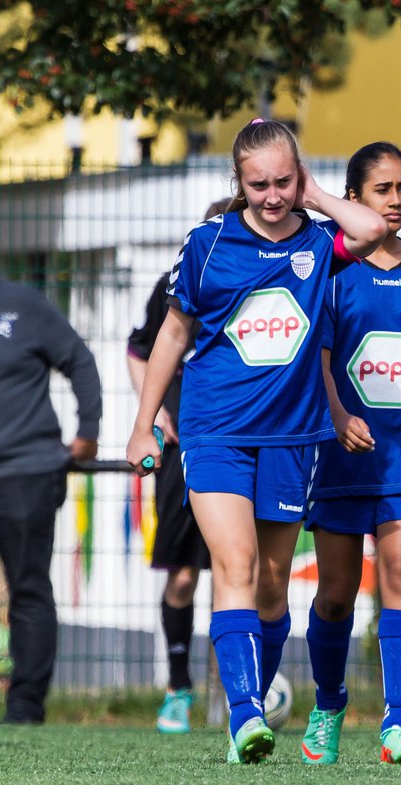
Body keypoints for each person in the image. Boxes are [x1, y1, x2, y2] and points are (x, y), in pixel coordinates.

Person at [125, 119, 386, 764]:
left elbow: (374, 229)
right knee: (234, 564)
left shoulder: (323, 242)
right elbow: (172, 336)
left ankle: (258, 691)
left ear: (299, 177)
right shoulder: (209, 243)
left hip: (293, 438)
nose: (271, 196)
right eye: (257, 184)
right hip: (215, 434)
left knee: (272, 586)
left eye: (282, 181)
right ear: (237, 184)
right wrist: (144, 421)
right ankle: (244, 716)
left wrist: (318, 196)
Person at [298, 142, 401, 766]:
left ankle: (398, 722)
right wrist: (338, 419)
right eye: (383, 190)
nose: (396, 201)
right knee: (336, 593)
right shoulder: (332, 267)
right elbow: (321, 360)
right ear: (355, 197)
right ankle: (329, 703)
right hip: (342, 457)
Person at [0, 222, 102, 725]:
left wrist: (87, 430)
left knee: (28, 589)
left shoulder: (25, 307)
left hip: (25, 475)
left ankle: (25, 707)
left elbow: (80, 362)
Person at [127, 198, 228, 734]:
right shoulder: (175, 280)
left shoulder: (271, 270)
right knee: (184, 574)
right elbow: (139, 349)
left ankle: (244, 692)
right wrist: (157, 413)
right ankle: (177, 688)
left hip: (242, 437)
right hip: (184, 445)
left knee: (246, 570)